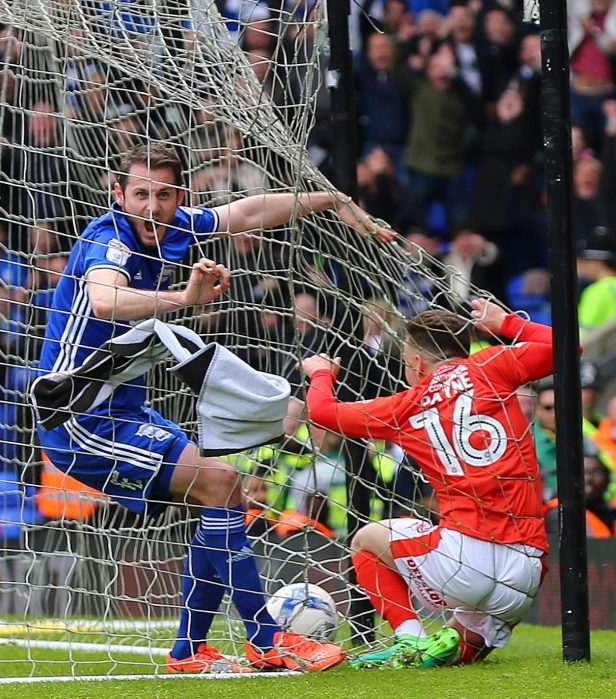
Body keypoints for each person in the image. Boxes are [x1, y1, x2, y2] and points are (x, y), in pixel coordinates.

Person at [34, 142, 394, 674]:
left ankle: (188, 648)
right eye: (140, 194)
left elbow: (248, 211)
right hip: (75, 416)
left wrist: (331, 200)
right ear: (119, 194)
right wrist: (185, 299)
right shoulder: (108, 239)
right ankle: (270, 640)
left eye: (163, 194)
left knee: (221, 487)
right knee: (220, 483)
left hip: (124, 409)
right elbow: (106, 300)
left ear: (179, 194)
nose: (152, 207)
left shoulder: (179, 223)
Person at [303, 298, 552, 668]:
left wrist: (321, 373)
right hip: (527, 567)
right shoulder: (491, 366)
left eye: (405, 362)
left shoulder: (406, 405)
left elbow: (322, 413)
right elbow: (563, 345)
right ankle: (461, 643)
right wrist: (505, 322)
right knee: (457, 645)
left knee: (365, 541)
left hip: (464, 560)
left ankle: (409, 638)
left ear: (418, 363)